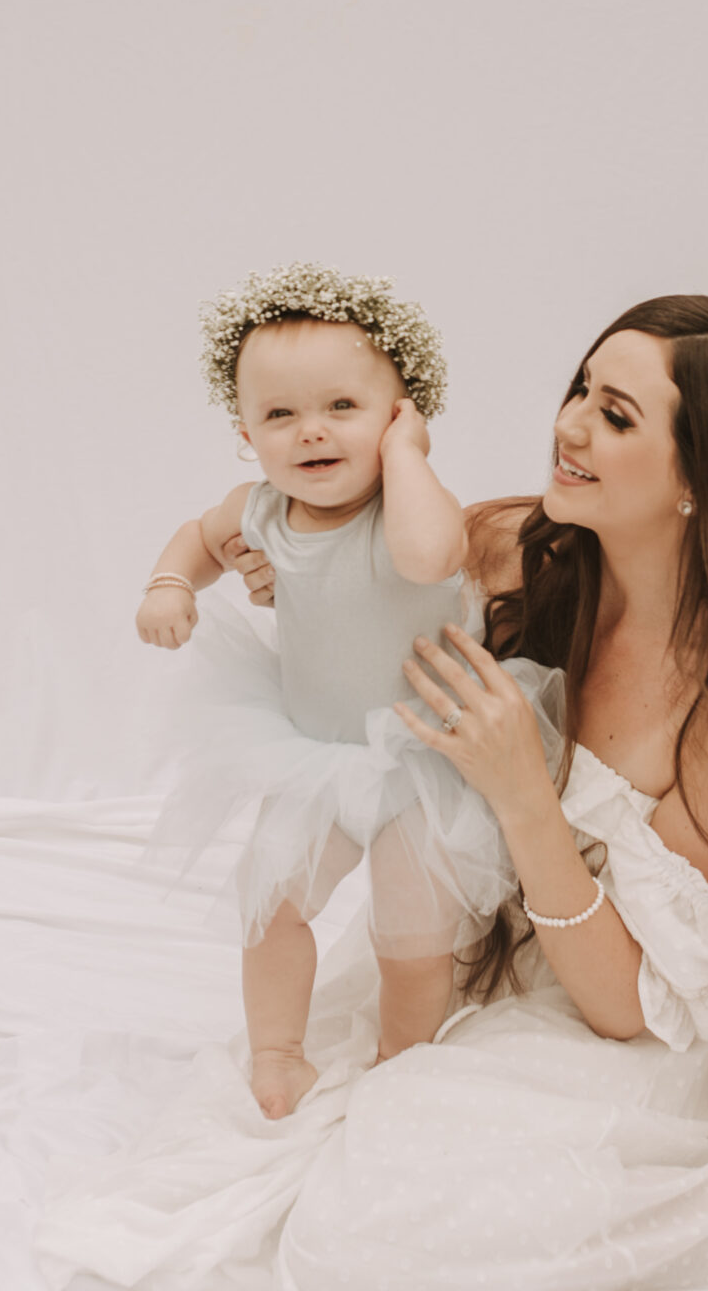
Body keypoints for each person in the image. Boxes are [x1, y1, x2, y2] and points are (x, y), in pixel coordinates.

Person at [38, 294, 708, 1291]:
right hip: (476, 941)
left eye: (619, 416)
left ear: (702, 479)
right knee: (265, 1134)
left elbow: (629, 1009)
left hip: (612, 1029)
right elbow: (350, 576)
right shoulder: (518, 544)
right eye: (582, 388)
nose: (570, 424)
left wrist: (524, 792)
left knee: (363, 1267)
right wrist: (275, 567)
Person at [133, 262, 519, 1119]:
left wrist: (407, 457)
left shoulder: (409, 505)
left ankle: (401, 1058)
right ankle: (276, 1055)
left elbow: (430, 559)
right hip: (315, 754)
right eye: (280, 415)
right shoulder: (262, 510)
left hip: (427, 757)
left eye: (342, 407)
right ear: (245, 432)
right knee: (270, 907)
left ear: (399, 411)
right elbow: (199, 536)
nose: (311, 433)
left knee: (410, 940)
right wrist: (170, 583)